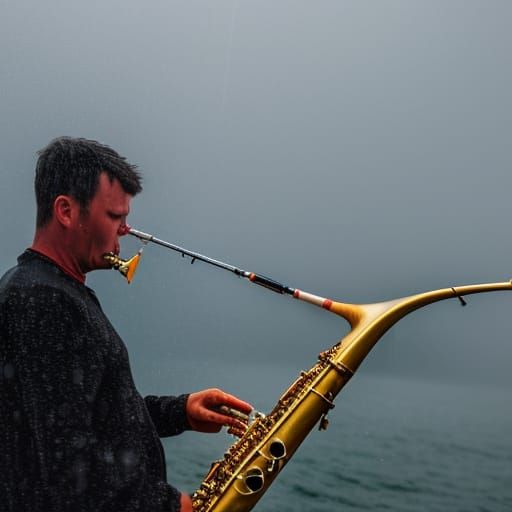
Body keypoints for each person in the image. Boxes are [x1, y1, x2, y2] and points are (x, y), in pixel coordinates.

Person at [0, 136, 252, 512]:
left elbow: (95, 420)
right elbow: (65, 460)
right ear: (66, 211)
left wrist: (180, 411)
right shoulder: (42, 299)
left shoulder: (53, 291)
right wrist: (170, 506)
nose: (126, 231)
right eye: (115, 217)